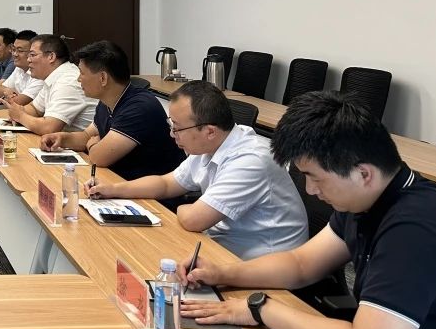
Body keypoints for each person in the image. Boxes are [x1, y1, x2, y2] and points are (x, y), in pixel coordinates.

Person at [180, 92, 436, 329]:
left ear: (363, 173)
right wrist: (223, 274)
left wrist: (260, 308)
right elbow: (301, 264)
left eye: (315, 177)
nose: (311, 190)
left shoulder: (415, 226)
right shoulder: (365, 200)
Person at [84, 79, 306, 257]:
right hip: (221, 246)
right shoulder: (210, 145)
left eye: (177, 128)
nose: (172, 135)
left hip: (262, 264)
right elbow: (166, 183)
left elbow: (193, 219)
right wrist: (113, 190)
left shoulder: (250, 160)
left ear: (209, 131)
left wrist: (180, 209)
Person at [42, 40, 185, 181]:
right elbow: (87, 136)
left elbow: (99, 157)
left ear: (103, 78)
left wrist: (92, 145)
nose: (79, 79)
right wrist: (62, 138)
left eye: (82, 73)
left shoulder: (139, 107)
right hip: (122, 181)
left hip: (154, 191)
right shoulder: (106, 101)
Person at [4, 34, 95, 134]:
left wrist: (20, 116)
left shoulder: (68, 81)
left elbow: (48, 128)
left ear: (51, 57)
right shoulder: (53, 76)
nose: (28, 60)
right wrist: (17, 111)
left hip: (81, 143)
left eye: (32, 55)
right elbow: (35, 109)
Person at [0, 29, 43, 105]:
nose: (15, 54)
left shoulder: (40, 74)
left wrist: (7, 95)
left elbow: (19, 101)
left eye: (20, 51)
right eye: (14, 50)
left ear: (32, 52)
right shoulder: (19, 68)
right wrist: (7, 91)